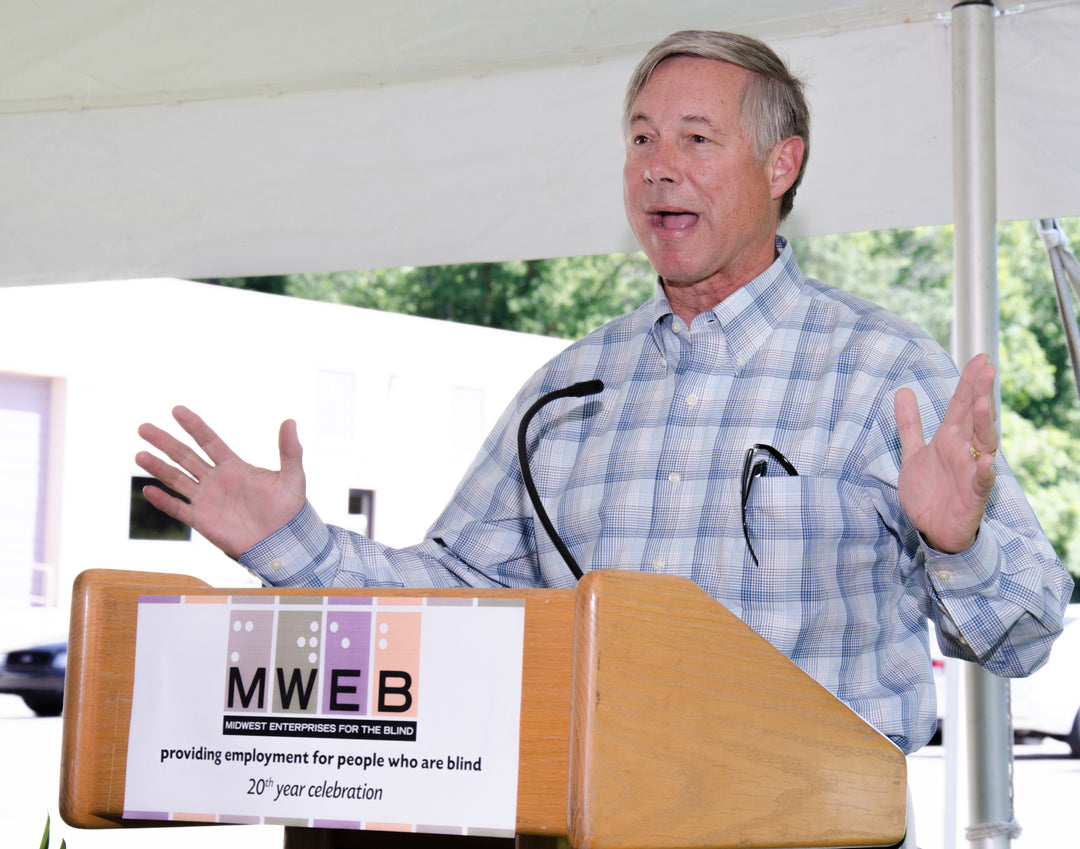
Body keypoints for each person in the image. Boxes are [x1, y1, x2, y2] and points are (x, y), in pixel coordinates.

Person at [137, 30, 1072, 758]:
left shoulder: (880, 370)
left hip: (819, 828)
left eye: (695, 140)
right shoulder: (568, 389)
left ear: (780, 167)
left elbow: (1028, 633)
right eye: (640, 140)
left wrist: (961, 541)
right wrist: (289, 544)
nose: (657, 167)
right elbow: (464, 590)